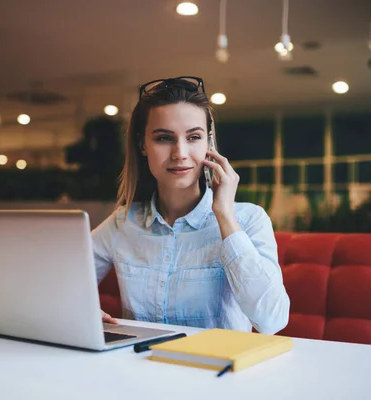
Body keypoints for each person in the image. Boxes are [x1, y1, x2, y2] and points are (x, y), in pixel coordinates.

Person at [92, 77, 289, 334]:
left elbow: (272, 320)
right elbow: (58, 283)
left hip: (218, 370)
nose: (180, 153)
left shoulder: (249, 219)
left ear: (209, 144)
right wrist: (82, 311)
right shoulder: (123, 222)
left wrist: (225, 216)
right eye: (164, 138)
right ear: (143, 145)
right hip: (142, 368)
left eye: (193, 137)